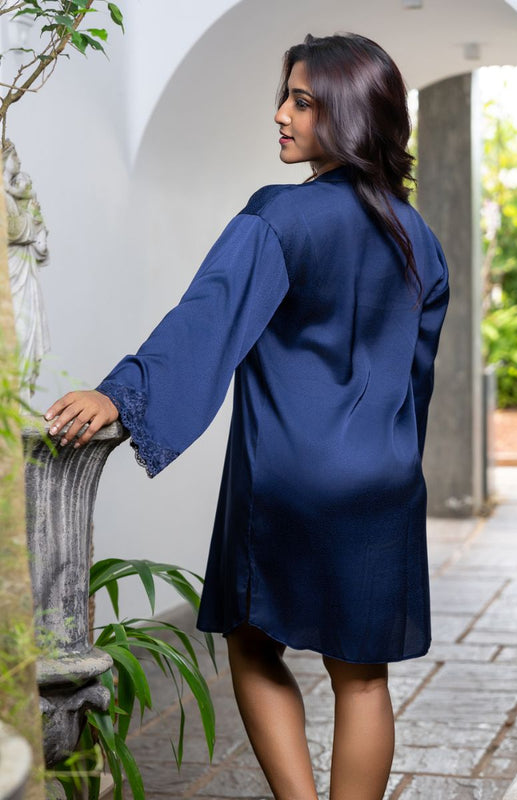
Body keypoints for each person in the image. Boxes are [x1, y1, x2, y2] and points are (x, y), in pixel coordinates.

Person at [45, 33, 449, 800]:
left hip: (287, 480)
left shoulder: (279, 217)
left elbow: (208, 319)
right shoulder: (419, 240)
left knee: (252, 643)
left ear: (352, 114)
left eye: (301, 100)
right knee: (362, 679)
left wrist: (123, 394)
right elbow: (415, 380)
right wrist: (392, 464)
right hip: (383, 482)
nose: (280, 114)